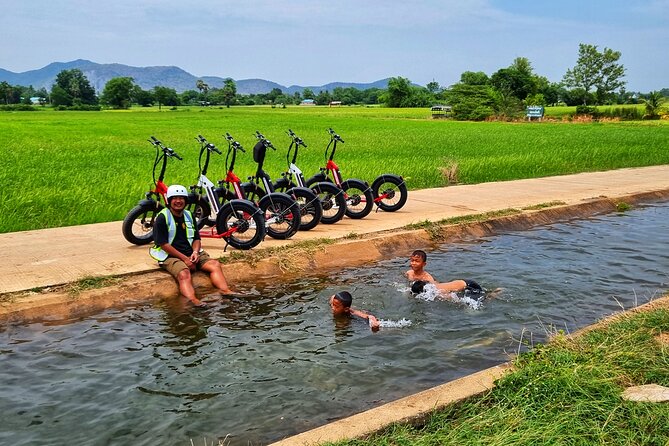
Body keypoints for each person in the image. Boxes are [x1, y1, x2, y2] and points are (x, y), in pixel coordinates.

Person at [150, 184, 232, 306]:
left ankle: (226, 291)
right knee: (184, 273)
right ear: (170, 201)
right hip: (170, 255)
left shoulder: (189, 215)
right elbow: (163, 244)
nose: (178, 201)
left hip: (190, 252)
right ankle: (193, 300)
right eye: (175, 198)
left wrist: (194, 253)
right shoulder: (162, 217)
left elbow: (196, 238)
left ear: (186, 200)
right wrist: (185, 259)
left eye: (181, 198)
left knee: (214, 265)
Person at [406, 249, 483, 294]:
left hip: (468, 285)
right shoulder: (409, 273)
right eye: (412, 260)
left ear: (424, 264)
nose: (413, 263)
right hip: (460, 284)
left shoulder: (428, 279)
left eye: (417, 261)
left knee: (483, 298)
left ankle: (492, 294)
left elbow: (442, 292)